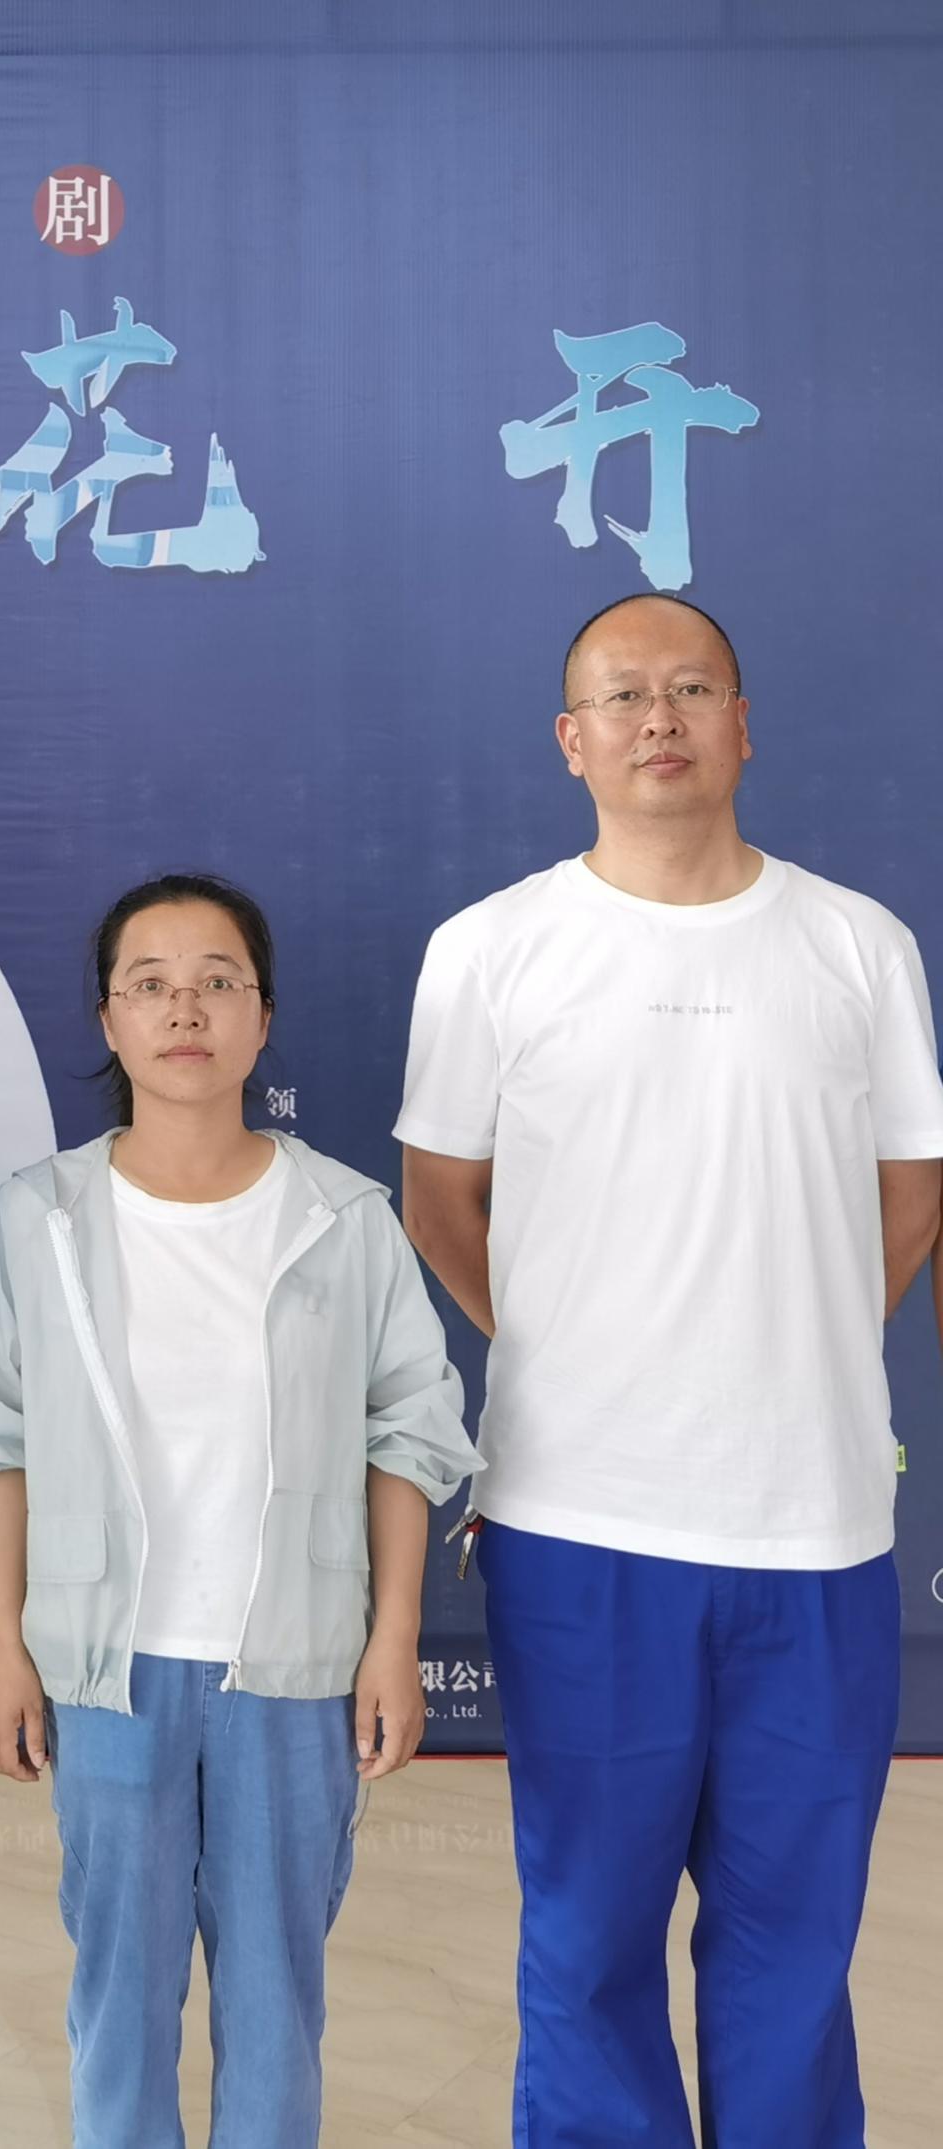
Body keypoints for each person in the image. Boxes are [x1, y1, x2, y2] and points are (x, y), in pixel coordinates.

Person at [396, 593, 943, 2147]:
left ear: (743, 726)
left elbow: (914, 1190)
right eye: (625, 694)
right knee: (587, 1942)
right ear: (571, 740)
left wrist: (799, 1330)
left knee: (794, 1949)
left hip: (813, 1532)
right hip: (582, 1527)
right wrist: (577, 1340)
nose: (660, 717)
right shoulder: (490, 950)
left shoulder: (858, 944)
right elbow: (442, 1199)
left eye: (693, 688)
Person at [0, 873, 476, 2148]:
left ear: (262, 1015)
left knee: (277, 1998)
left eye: (217, 982)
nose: (185, 1010)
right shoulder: (40, 1217)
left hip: (290, 1667)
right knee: (117, 1994)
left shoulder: (342, 1218)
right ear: (110, 1021)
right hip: (104, 1668)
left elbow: (407, 1432)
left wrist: (393, 1638)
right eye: (151, 985)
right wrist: (2, 1645)